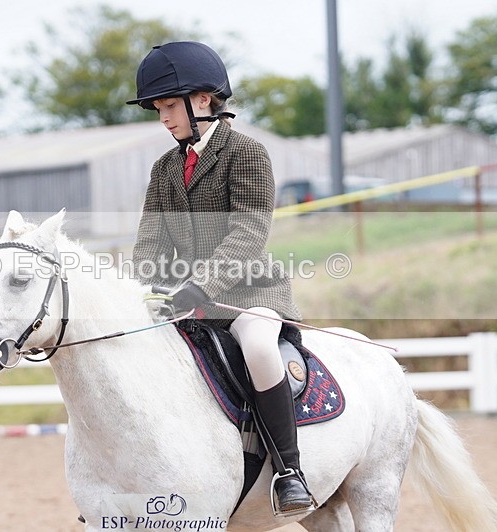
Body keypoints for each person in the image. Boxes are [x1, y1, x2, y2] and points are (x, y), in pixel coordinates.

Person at [127, 41, 314, 515]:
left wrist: (199, 288)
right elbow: (149, 243)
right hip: (183, 302)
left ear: (203, 100)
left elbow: (247, 234)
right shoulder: (164, 170)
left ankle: (289, 471)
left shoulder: (247, 153)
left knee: (256, 349)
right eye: (158, 110)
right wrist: (146, 288)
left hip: (248, 296)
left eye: (169, 106)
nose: (164, 118)